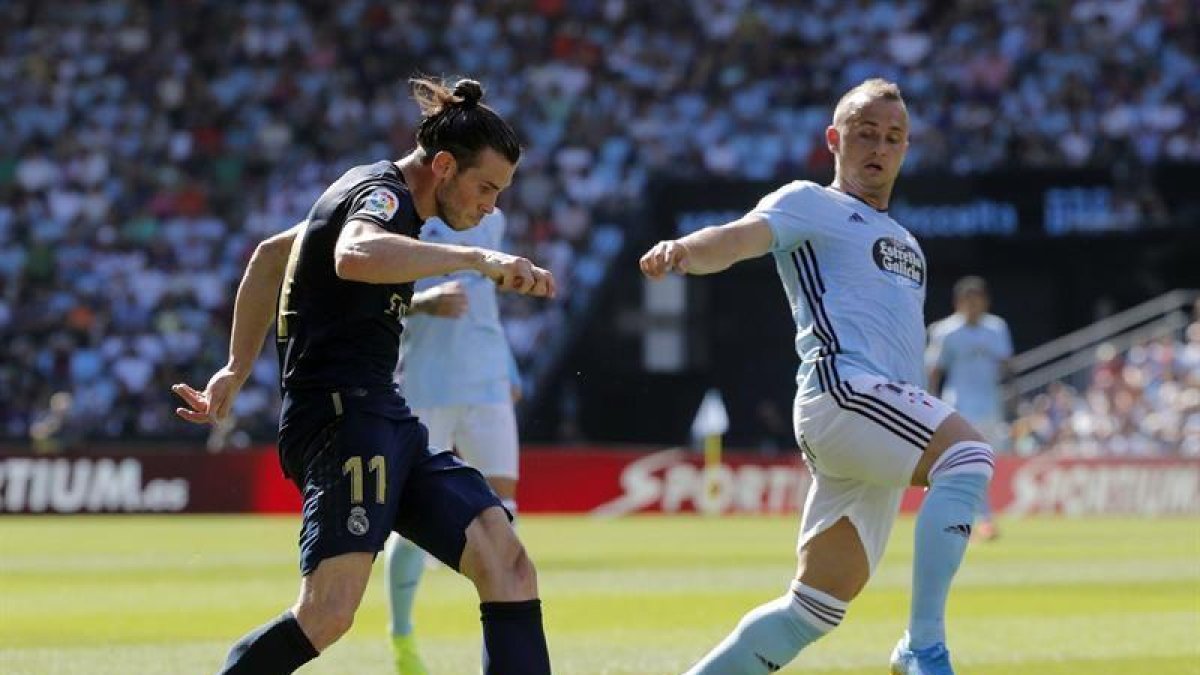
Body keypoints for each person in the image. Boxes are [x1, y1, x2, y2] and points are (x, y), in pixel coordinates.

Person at [171, 77, 554, 675]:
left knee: (505, 561)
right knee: (327, 613)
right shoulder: (384, 196)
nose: (490, 207)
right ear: (445, 165)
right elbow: (354, 255)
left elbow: (272, 256)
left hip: (383, 414)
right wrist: (478, 259)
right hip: (341, 420)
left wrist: (233, 369)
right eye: (486, 188)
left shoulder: (371, 194)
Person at [640, 78, 993, 675]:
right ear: (835, 139)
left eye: (893, 137)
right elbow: (738, 238)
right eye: (865, 134)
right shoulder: (810, 201)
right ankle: (922, 646)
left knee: (814, 609)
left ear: (906, 150)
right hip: (843, 392)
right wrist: (686, 250)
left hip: (882, 414)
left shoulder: (908, 242)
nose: (879, 148)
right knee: (969, 457)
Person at [384, 208, 525, 674]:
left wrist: (508, 366)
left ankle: (503, 651)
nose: (489, 197)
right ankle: (402, 634)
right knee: (415, 522)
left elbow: (487, 303)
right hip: (426, 386)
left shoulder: (493, 221)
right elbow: (365, 295)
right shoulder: (409, 220)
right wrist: (426, 302)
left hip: (486, 383)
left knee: (504, 512)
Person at [927, 276, 1013, 541]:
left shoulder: (997, 328)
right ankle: (983, 520)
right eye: (969, 299)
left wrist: (1012, 399)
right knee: (971, 462)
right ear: (959, 302)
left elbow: (1006, 365)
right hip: (958, 405)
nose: (974, 305)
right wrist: (930, 406)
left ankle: (961, 514)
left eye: (978, 299)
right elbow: (934, 370)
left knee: (984, 464)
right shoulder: (945, 331)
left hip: (989, 404)